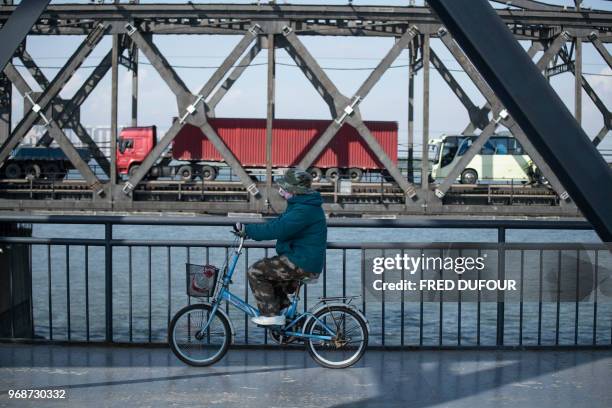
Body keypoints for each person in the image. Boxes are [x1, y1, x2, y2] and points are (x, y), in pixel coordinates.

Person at [233, 168, 327, 326]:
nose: (281, 190)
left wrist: (248, 230)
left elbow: (279, 228)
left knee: (256, 271)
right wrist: (250, 231)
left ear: (295, 191)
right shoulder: (300, 204)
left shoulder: (304, 210)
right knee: (271, 277)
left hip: (302, 261)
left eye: (285, 188)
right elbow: (279, 224)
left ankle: (271, 315)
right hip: (300, 258)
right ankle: (286, 316)